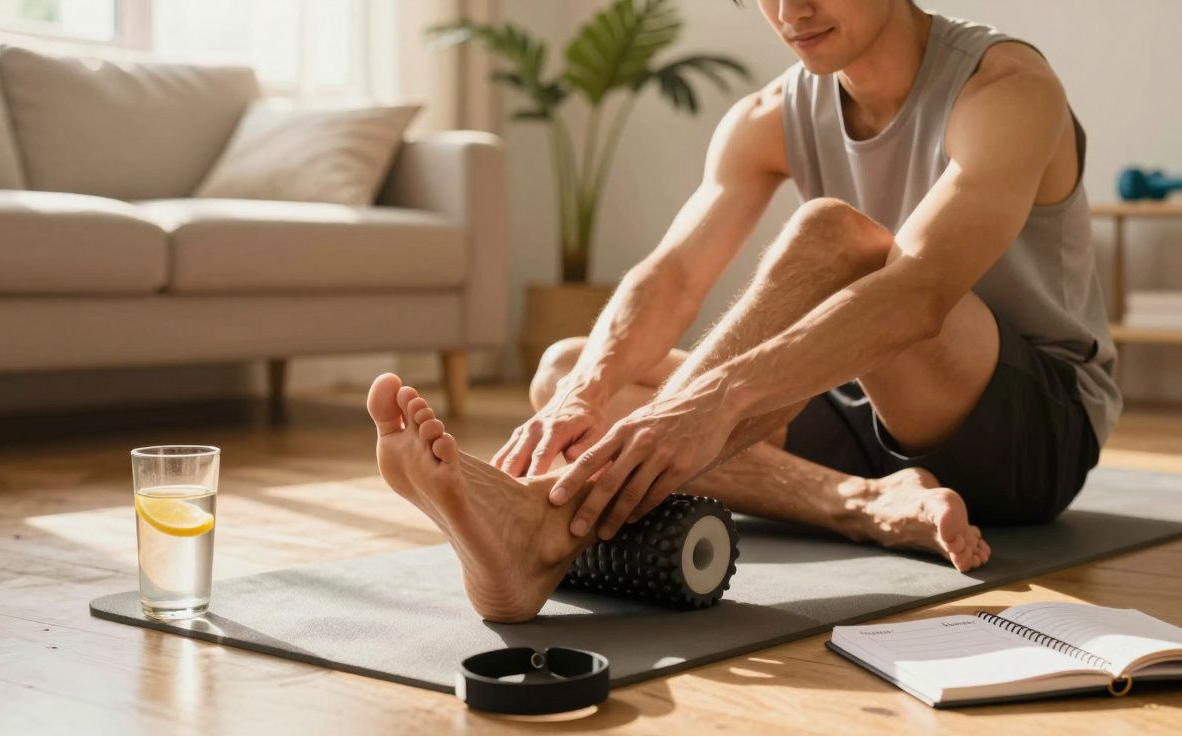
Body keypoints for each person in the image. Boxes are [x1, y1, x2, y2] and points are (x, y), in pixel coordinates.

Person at [366, 0, 1120, 623]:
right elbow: (672, 276)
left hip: (1033, 433)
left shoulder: (1009, 88)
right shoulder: (769, 114)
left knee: (838, 235)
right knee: (566, 370)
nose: (790, 10)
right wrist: (584, 396)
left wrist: (707, 403)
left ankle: (543, 529)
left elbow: (919, 294)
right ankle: (861, 503)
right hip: (865, 406)